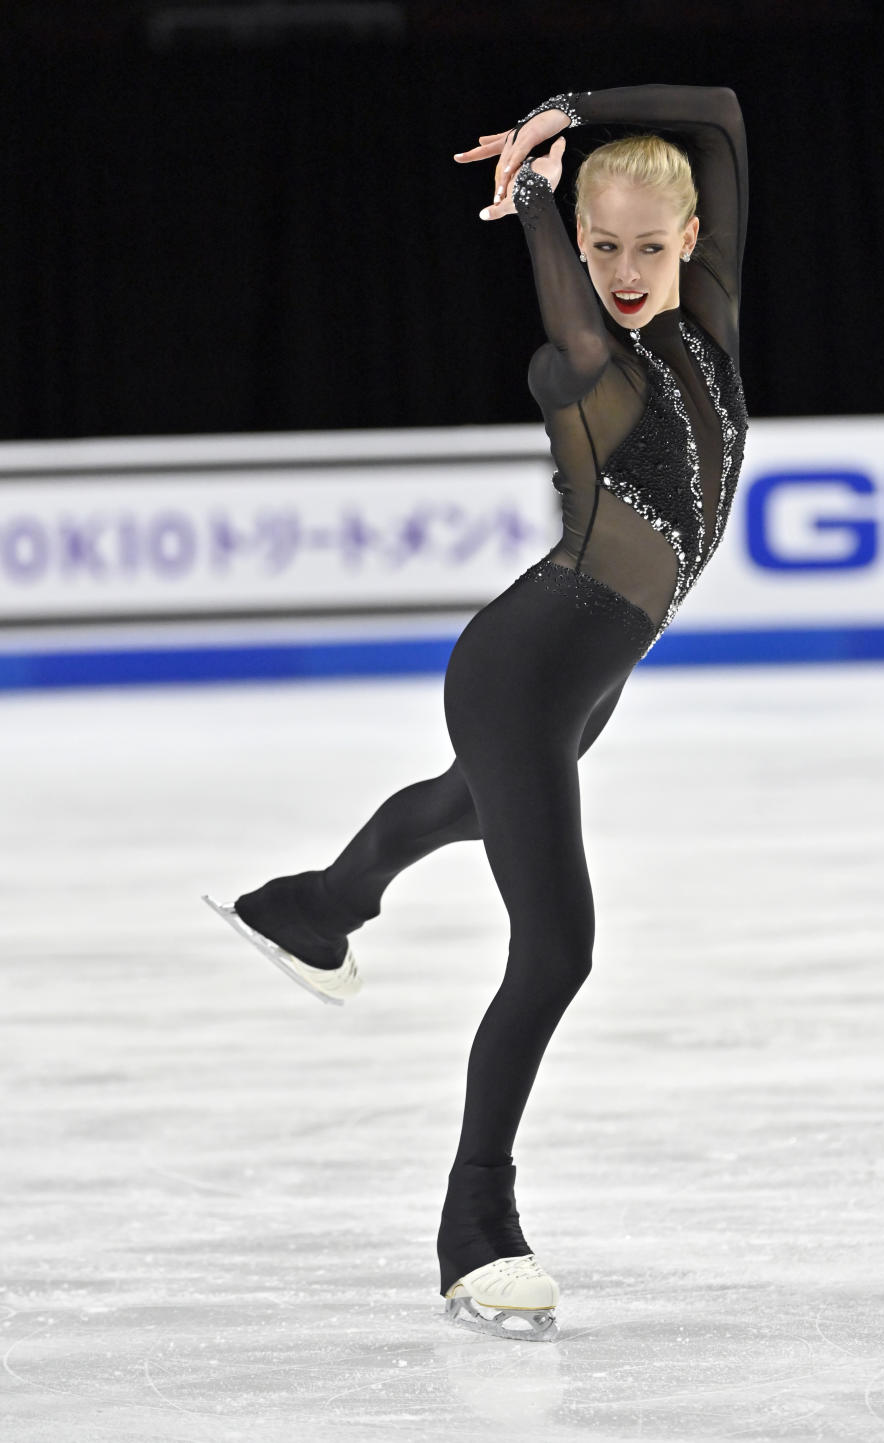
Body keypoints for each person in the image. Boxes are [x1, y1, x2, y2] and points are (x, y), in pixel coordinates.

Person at [203, 82, 749, 1343]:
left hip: (589, 679)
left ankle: (316, 906)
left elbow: (717, 112)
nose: (619, 271)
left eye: (643, 247)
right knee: (559, 950)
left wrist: (570, 109)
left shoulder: (708, 324)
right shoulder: (594, 367)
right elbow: (574, 324)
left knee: (459, 806)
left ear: (691, 242)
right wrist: (542, 197)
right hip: (522, 666)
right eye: (598, 248)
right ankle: (475, 1222)